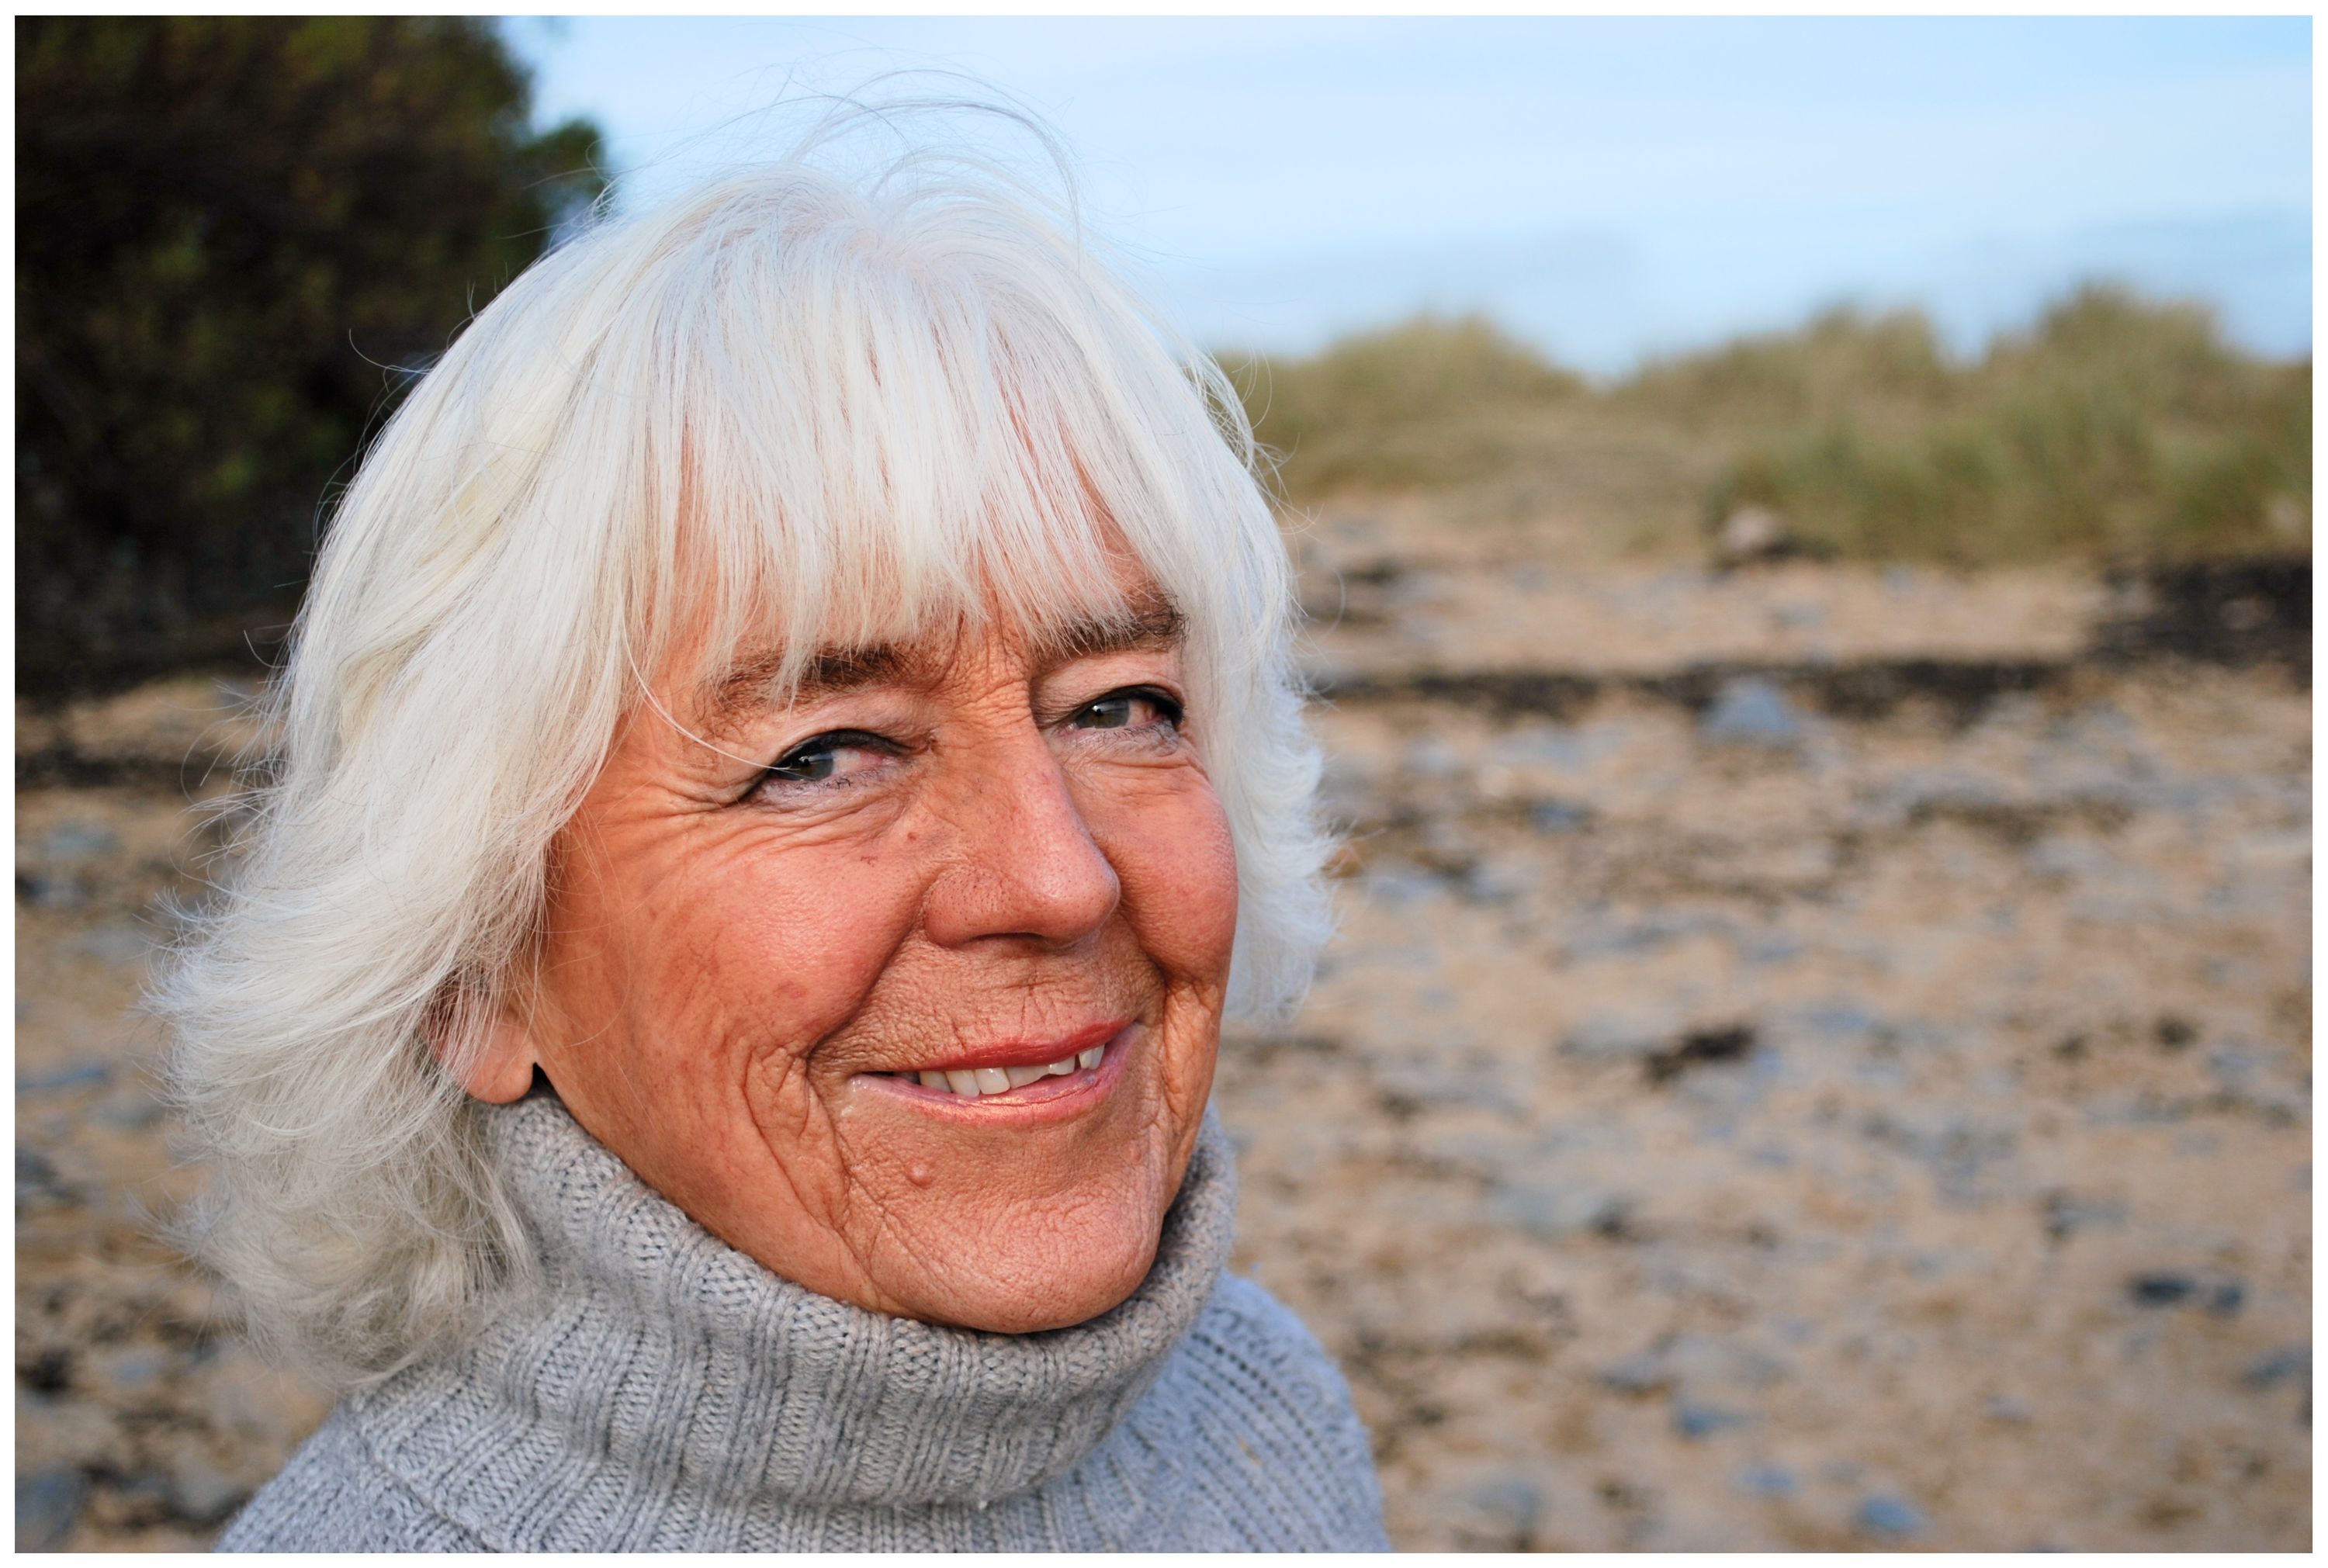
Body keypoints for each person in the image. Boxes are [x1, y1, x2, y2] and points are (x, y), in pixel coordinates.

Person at [159, 103, 1390, 1551]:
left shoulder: (1267, 1423)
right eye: (821, 755)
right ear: (470, 964)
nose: (1060, 875)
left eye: (1120, 707)